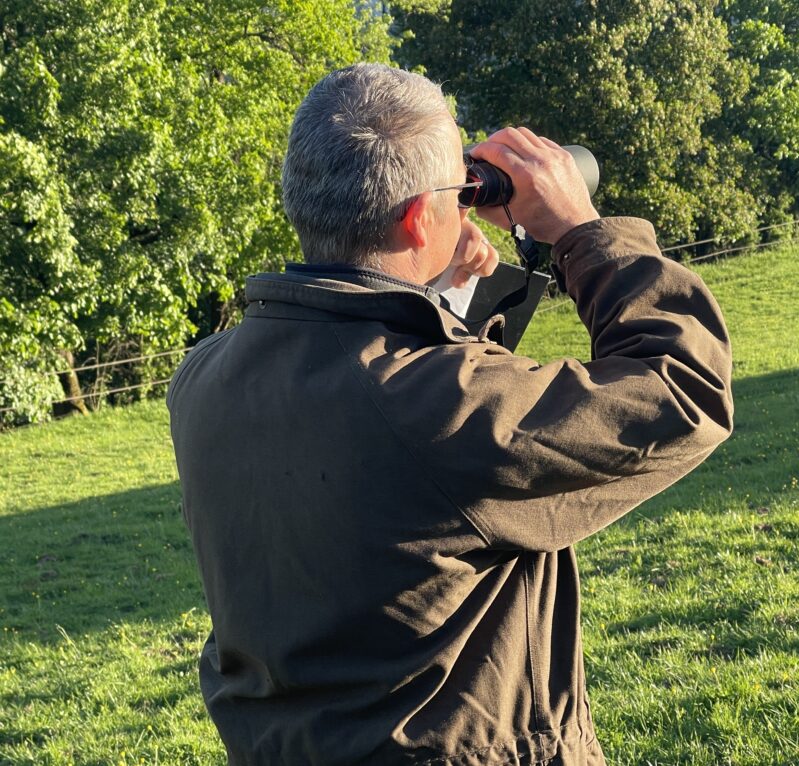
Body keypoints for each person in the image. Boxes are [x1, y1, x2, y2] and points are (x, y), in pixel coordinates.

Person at [168, 62, 733, 765]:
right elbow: (684, 390)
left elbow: (417, 468)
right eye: (461, 193)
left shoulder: (205, 376)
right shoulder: (436, 401)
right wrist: (580, 231)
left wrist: (440, 296)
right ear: (416, 217)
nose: (468, 207)